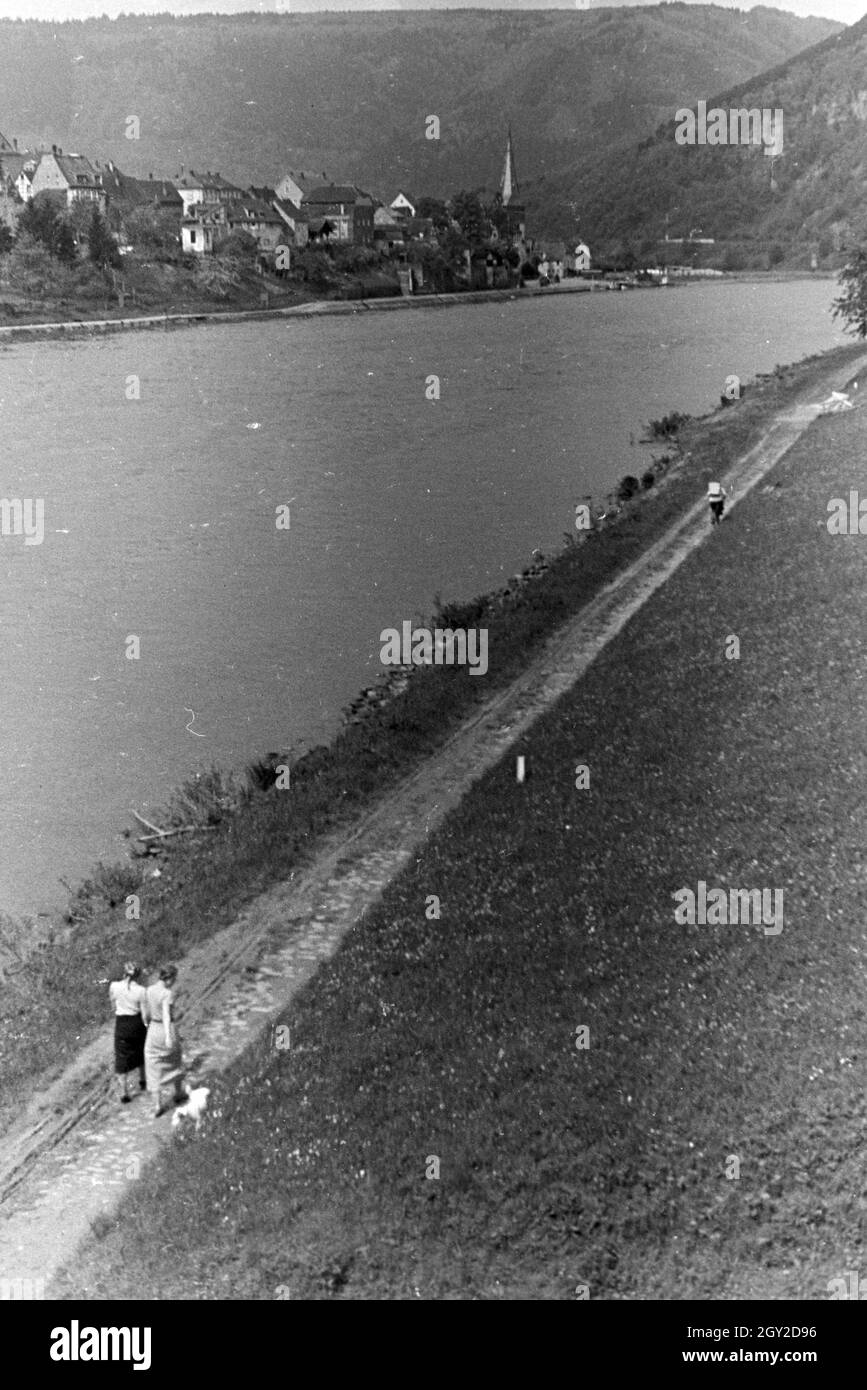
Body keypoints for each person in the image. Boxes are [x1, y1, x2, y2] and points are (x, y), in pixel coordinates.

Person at [144, 965, 186, 1119]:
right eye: (174, 979)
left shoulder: (149, 990)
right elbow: (167, 1015)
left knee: (153, 1065)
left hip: (153, 1030)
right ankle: (178, 1093)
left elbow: (147, 1011)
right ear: (170, 978)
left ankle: (157, 1105)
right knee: (175, 1060)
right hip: (166, 1029)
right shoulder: (167, 993)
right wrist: (169, 1035)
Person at [109, 962, 148, 1103]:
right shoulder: (141, 990)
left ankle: (124, 1093)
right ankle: (143, 1080)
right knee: (141, 1051)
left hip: (122, 1023)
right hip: (136, 1022)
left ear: (124, 973)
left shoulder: (114, 986)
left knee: (122, 1057)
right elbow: (145, 1015)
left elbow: (113, 1005)